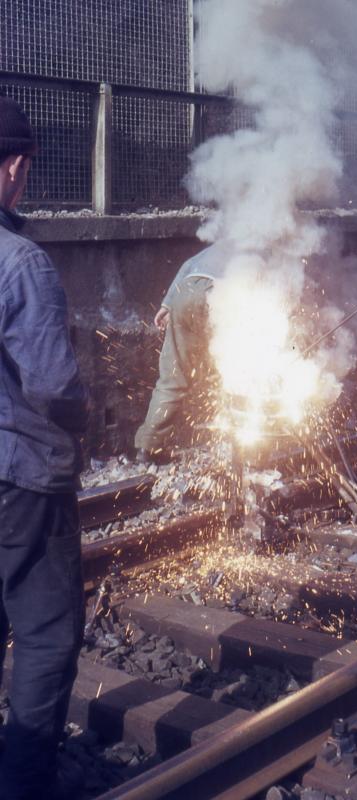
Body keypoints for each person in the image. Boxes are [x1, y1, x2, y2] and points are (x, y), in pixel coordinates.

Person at [0, 97, 88, 799]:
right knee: (46, 634)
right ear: (15, 169)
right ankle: (25, 785)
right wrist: (95, 413)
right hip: (21, 478)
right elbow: (53, 385)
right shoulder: (20, 262)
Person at [135, 241, 234, 462]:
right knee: (235, 372)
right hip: (217, 296)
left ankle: (148, 446)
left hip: (184, 295)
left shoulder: (216, 247)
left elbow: (187, 266)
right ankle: (235, 444)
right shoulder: (263, 245)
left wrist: (167, 305)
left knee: (173, 376)